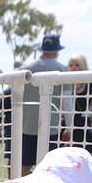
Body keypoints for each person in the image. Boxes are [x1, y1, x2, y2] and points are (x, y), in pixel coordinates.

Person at [21, 32, 66, 175]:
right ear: (57, 50)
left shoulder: (27, 69)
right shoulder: (63, 70)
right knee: (50, 168)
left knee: (24, 166)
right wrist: (69, 127)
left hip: (27, 125)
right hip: (51, 127)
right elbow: (68, 100)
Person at [60, 53, 92, 155]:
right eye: (71, 65)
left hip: (83, 125)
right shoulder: (64, 85)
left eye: (77, 65)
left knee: (88, 156)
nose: (73, 68)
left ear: (83, 66)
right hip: (67, 125)